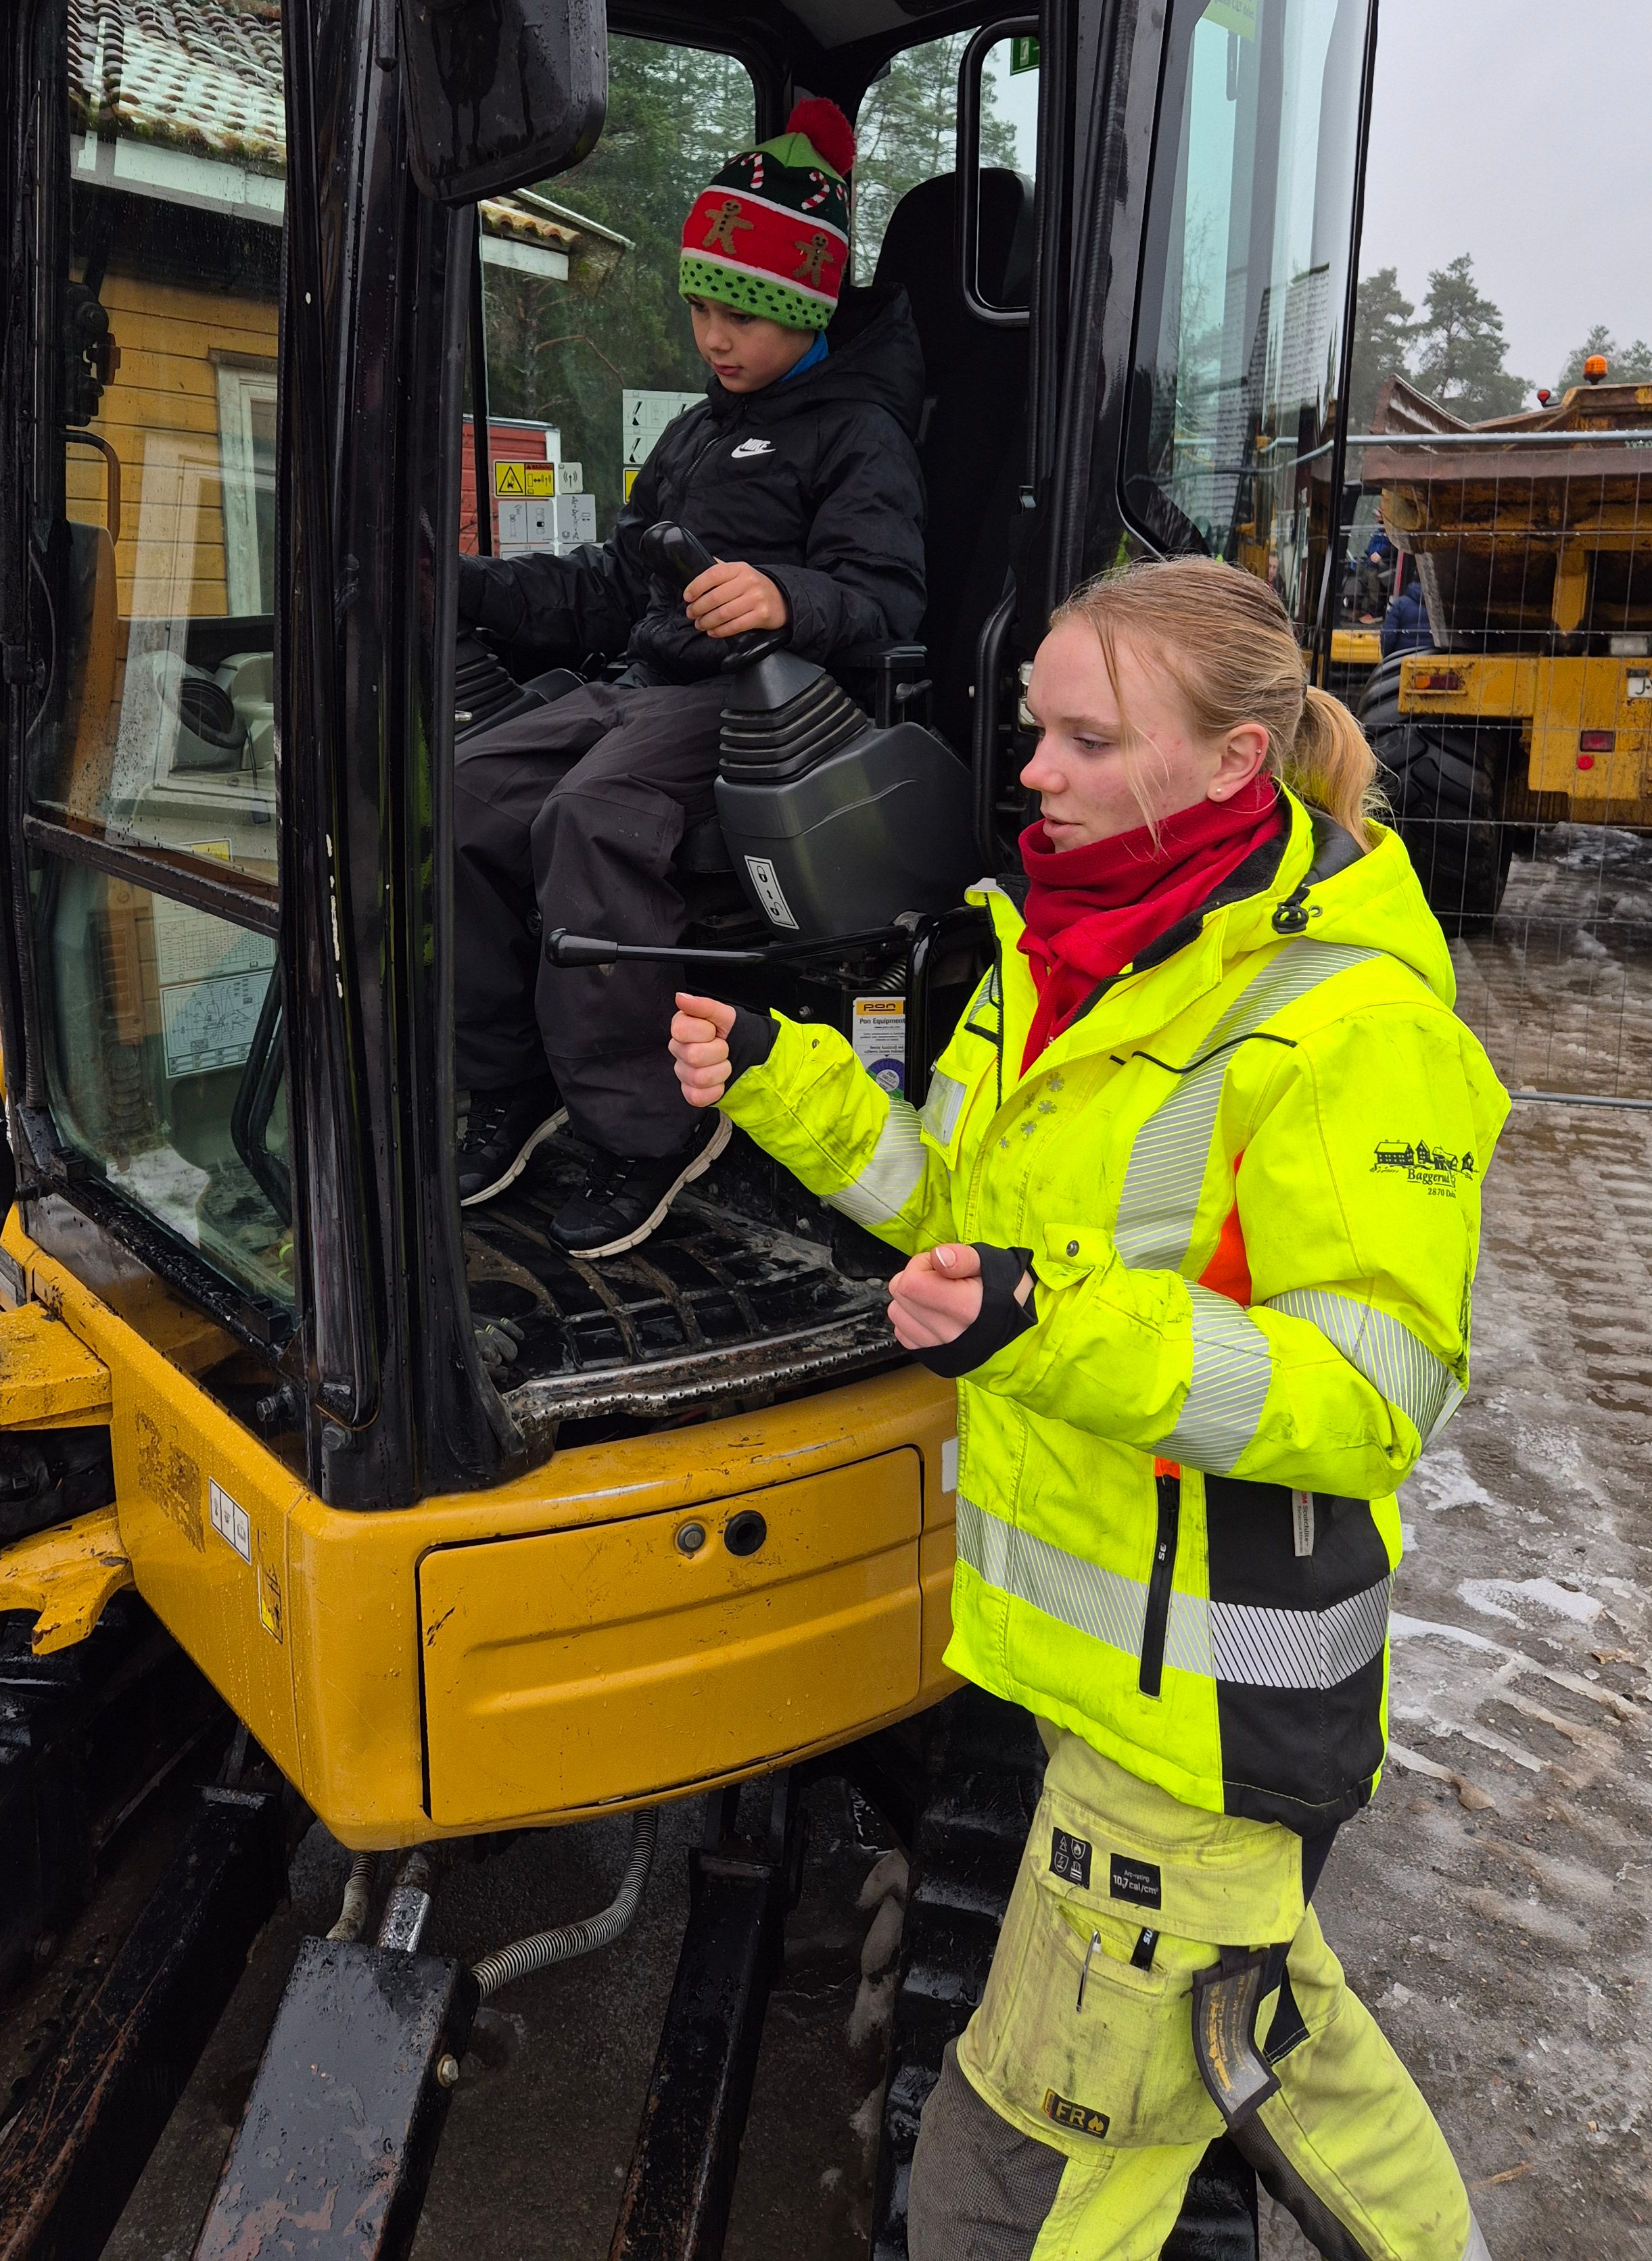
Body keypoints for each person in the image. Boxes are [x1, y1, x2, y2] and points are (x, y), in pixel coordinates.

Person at [669, 557, 1506, 2259]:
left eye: (1085, 739)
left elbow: (1370, 1394)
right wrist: (789, 1084)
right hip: (1093, 1684)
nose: (1032, 770)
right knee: (1283, 2054)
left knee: (1012, 2176)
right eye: (1034, 725)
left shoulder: (1354, 1024)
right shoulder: (1050, 947)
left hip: (1204, 1722)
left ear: (1235, 762)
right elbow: (958, 1202)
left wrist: (1043, 1323)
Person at [453, 97, 926, 1260]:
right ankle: (510, 1081)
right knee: (459, 793)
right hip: (645, 688)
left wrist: (784, 598)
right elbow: (615, 585)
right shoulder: (697, 436)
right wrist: (468, 586)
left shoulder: (859, 436)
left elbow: (887, 603)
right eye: (702, 309)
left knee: (590, 816)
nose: (715, 339)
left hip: (772, 708)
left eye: (741, 316)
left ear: (806, 307)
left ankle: (648, 1128)